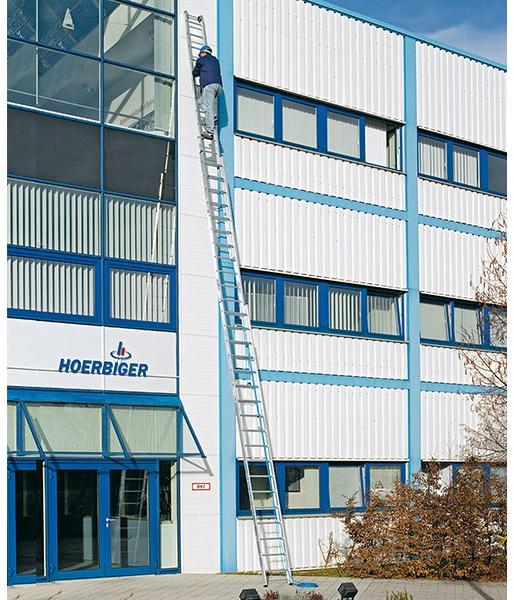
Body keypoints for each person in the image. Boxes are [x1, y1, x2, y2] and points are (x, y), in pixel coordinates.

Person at [192, 44, 223, 140]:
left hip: (209, 86)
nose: (199, 55)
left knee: (208, 108)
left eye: (200, 54)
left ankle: (210, 131)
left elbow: (196, 72)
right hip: (218, 86)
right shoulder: (215, 60)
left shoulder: (201, 60)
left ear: (204, 52)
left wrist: (193, 74)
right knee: (200, 102)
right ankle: (213, 117)